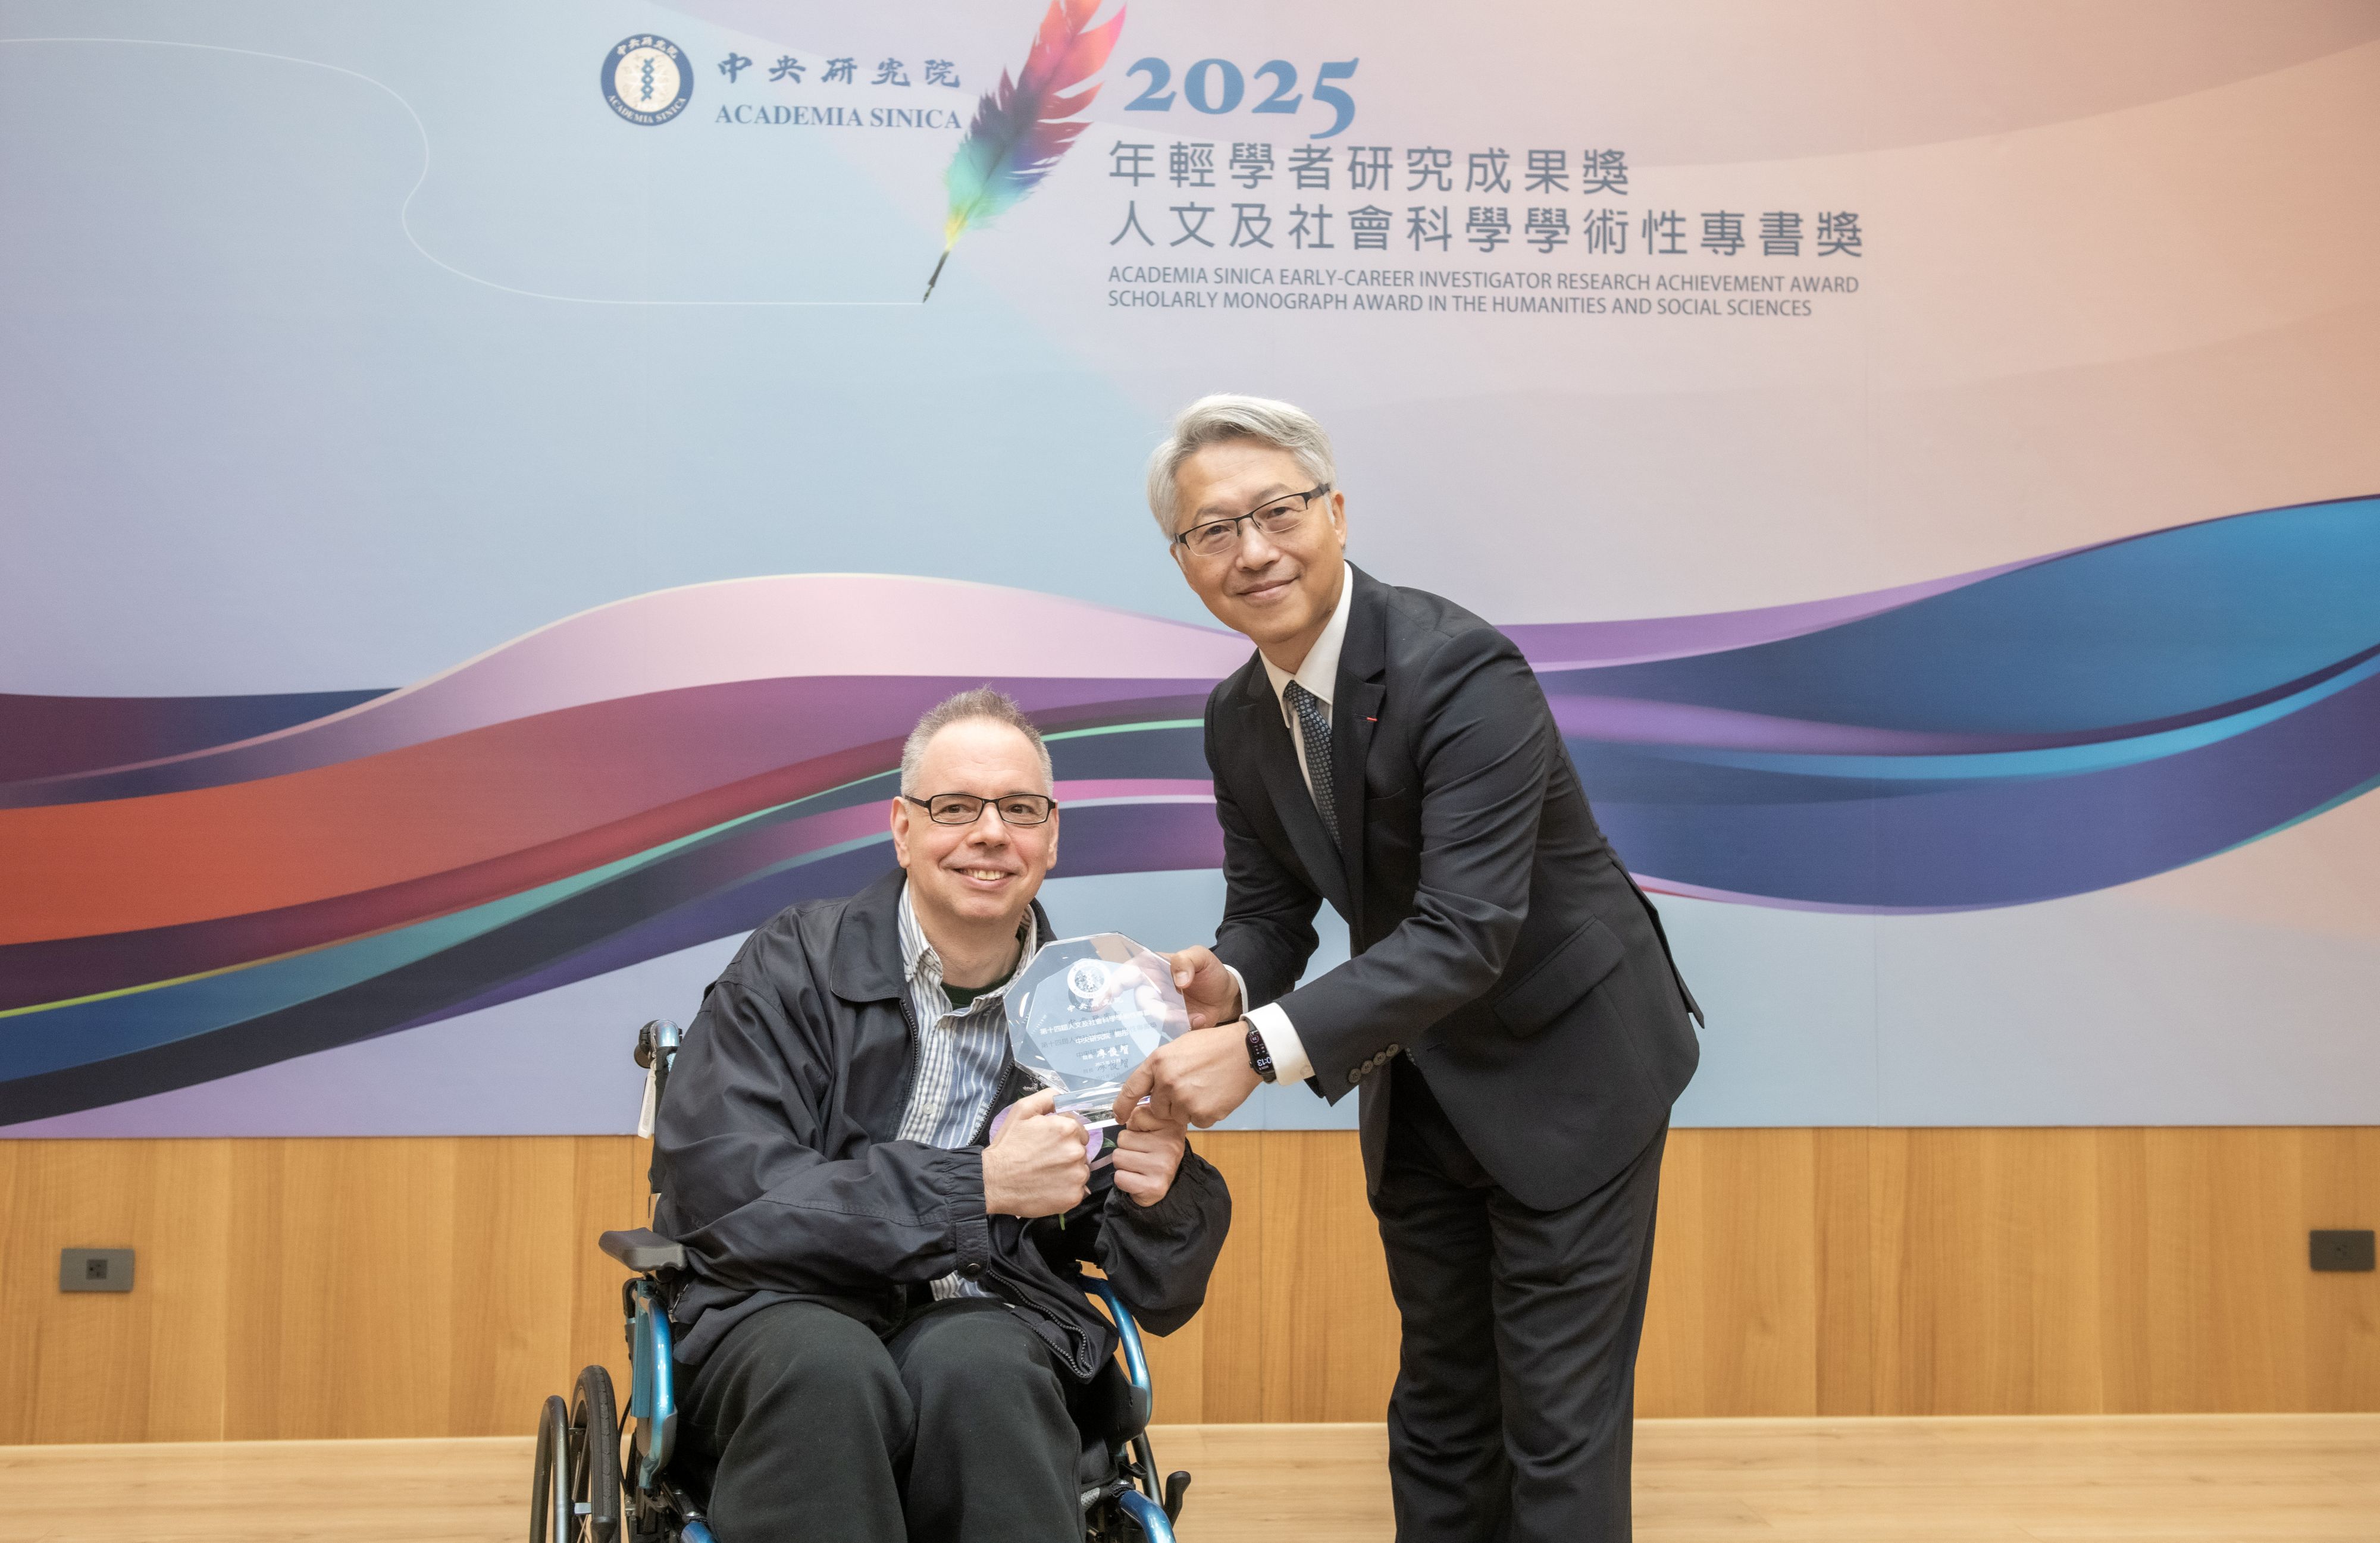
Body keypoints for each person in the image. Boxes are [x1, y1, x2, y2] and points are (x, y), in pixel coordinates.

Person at [1116, 396, 1702, 1542]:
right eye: (1214, 530)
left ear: (1335, 512)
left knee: (1557, 1421)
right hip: (1422, 1070)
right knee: (1441, 1405)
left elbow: (1467, 928)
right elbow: (1270, 912)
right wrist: (1226, 983)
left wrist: (1255, 1050)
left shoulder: (1461, 669)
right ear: (1182, 559)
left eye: (1278, 512)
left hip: (1572, 1065)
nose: (1253, 551)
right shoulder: (1238, 716)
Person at [654, 687, 1230, 1543]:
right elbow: (727, 1193)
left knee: (983, 1368)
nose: (990, 833)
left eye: (1020, 809)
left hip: (989, 1314)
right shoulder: (789, 967)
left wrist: (1162, 1193)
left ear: (1051, 837)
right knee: (827, 1370)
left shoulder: (1097, 1004)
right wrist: (978, 1186)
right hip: (781, 1306)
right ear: (903, 828)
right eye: (955, 807)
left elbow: (1162, 1291)